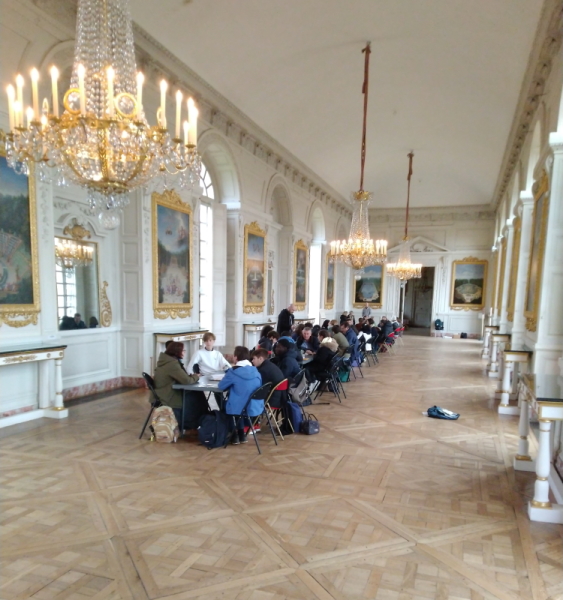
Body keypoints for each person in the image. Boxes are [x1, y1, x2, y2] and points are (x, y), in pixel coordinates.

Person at [153, 341, 208, 432]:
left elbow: (182, 377)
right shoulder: (172, 364)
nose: (184, 352)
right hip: (168, 395)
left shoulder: (167, 361)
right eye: (183, 351)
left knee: (197, 394)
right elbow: (186, 381)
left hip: (165, 391)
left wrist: (190, 377)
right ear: (177, 352)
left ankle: (198, 422)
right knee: (197, 397)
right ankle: (194, 423)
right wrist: (195, 376)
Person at [218, 346, 262, 444]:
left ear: (236, 357)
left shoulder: (233, 372)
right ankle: (241, 434)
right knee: (239, 403)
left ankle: (234, 435)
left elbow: (221, 386)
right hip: (254, 405)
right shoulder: (256, 371)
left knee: (226, 404)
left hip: (238, 406)